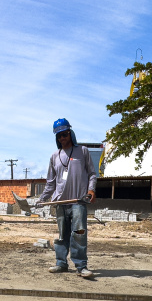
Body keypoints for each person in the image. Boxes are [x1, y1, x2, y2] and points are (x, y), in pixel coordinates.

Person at [37, 118, 97, 278]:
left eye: (64, 134)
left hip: (78, 202)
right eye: (59, 136)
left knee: (79, 233)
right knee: (63, 235)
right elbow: (50, 182)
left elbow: (92, 174)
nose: (62, 138)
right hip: (61, 203)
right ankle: (61, 263)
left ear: (70, 133)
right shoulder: (54, 156)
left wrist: (91, 190)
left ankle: (81, 266)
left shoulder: (82, 151)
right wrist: (43, 199)